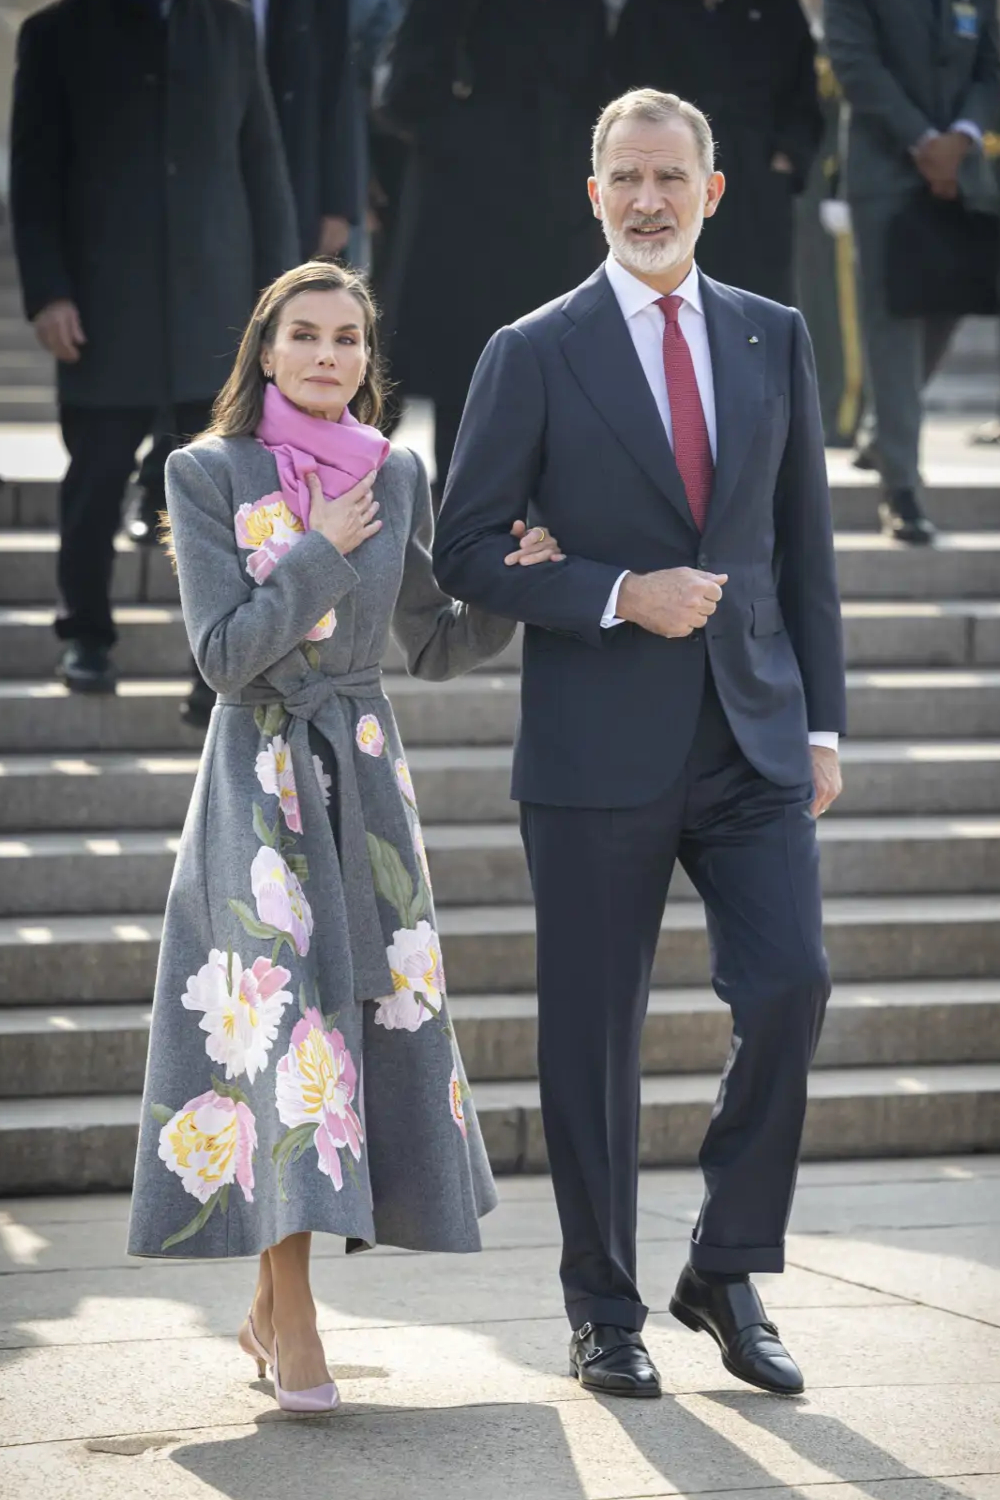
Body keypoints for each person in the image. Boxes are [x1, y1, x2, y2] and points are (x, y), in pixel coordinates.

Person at [434, 88, 846, 1399]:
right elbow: (465, 547)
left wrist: (822, 721)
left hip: (754, 736)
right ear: (593, 192)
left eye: (672, 176)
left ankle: (726, 1266)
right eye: (627, 177)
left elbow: (803, 557)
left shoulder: (775, 336)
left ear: (714, 190)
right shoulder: (532, 349)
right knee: (592, 1039)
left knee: (792, 984)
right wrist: (615, 591)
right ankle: (601, 1304)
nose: (650, 199)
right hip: (595, 744)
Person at [126, 260, 563, 1411]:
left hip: (363, 785)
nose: (329, 357)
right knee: (280, 1039)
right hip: (258, 783)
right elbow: (222, 656)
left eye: (350, 340)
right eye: (305, 336)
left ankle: (271, 1310)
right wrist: (314, 543)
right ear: (264, 351)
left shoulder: (395, 472)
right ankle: (298, 1316)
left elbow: (428, 642)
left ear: (371, 360)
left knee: (356, 1044)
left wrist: (517, 590)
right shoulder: (205, 472)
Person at [9, 0, 298, 695]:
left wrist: (284, 302)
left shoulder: (225, 25)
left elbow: (261, 159)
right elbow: (35, 176)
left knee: (226, 491)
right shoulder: (54, 33)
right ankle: (84, 632)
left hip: (216, 306)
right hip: (105, 304)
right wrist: (49, 291)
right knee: (98, 474)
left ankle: (221, 663)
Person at [378, 0, 607, 495]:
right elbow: (406, 92)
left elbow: (603, 93)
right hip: (475, 208)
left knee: (535, 373)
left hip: (544, 209)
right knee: (470, 373)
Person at [825, 0, 1000, 543]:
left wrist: (961, 139)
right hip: (888, 172)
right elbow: (855, 64)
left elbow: (988, 68)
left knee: (947, 307)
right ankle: (901, 488)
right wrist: (925, 142)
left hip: (962, 172)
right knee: (892, 322)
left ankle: (883, 432)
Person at [610, 0, 823, 307]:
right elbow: (622, 95)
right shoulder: (648, 10)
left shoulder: (777, 9)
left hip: (757, 186)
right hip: (669, 189)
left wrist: (787, 158)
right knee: (671, 307)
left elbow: (804, 99)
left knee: (760, 310)